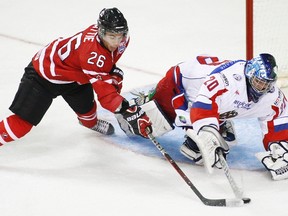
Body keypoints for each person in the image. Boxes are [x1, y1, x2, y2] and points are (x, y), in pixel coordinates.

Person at [0, 7, 152, 146]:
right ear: (101, 32)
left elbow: (105, 66)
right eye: (112, 36)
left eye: (120, 35)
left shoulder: (120, 42)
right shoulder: (92, 55)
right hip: (44, 75)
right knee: (22, 124)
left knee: (89, 116)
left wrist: (112, 77)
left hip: (74, 76)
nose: (117, 41)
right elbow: (106, 95)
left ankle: (89, 123)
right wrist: (128, 110)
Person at [126, 54, 288, 180]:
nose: (262, 87)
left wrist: (279, 145)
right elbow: (202, 105)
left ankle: (210, 129)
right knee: (146, 125)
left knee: (226, 140)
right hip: (180, 84)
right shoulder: (227, 80)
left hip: (212, 100)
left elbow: (280, 113)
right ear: (249, 74)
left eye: (267, 84)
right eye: (259, 82)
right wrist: (206, 132)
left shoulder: (271, 93)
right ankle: (145, 102)